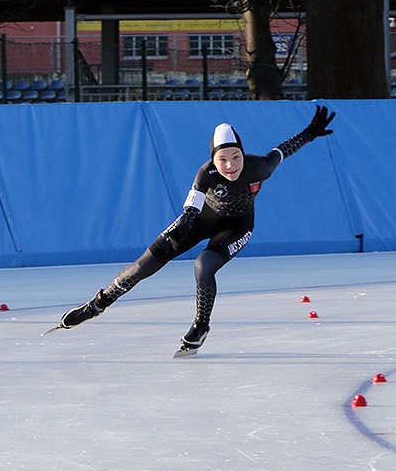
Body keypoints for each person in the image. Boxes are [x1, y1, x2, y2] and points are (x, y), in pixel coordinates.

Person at [56, 105, 335, 354]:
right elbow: (194, 200)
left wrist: (310, 133)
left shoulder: (259, 167)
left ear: (242, 153)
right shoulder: (206, 173)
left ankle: (201, 326)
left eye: (235, 157)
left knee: (204, 265)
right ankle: (98, 304)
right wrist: (186, 220)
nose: (230, 166)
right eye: (222, 159)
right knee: (142, 266)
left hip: (238, 227)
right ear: (213, 160)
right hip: (201, 219)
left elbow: (283, 151)